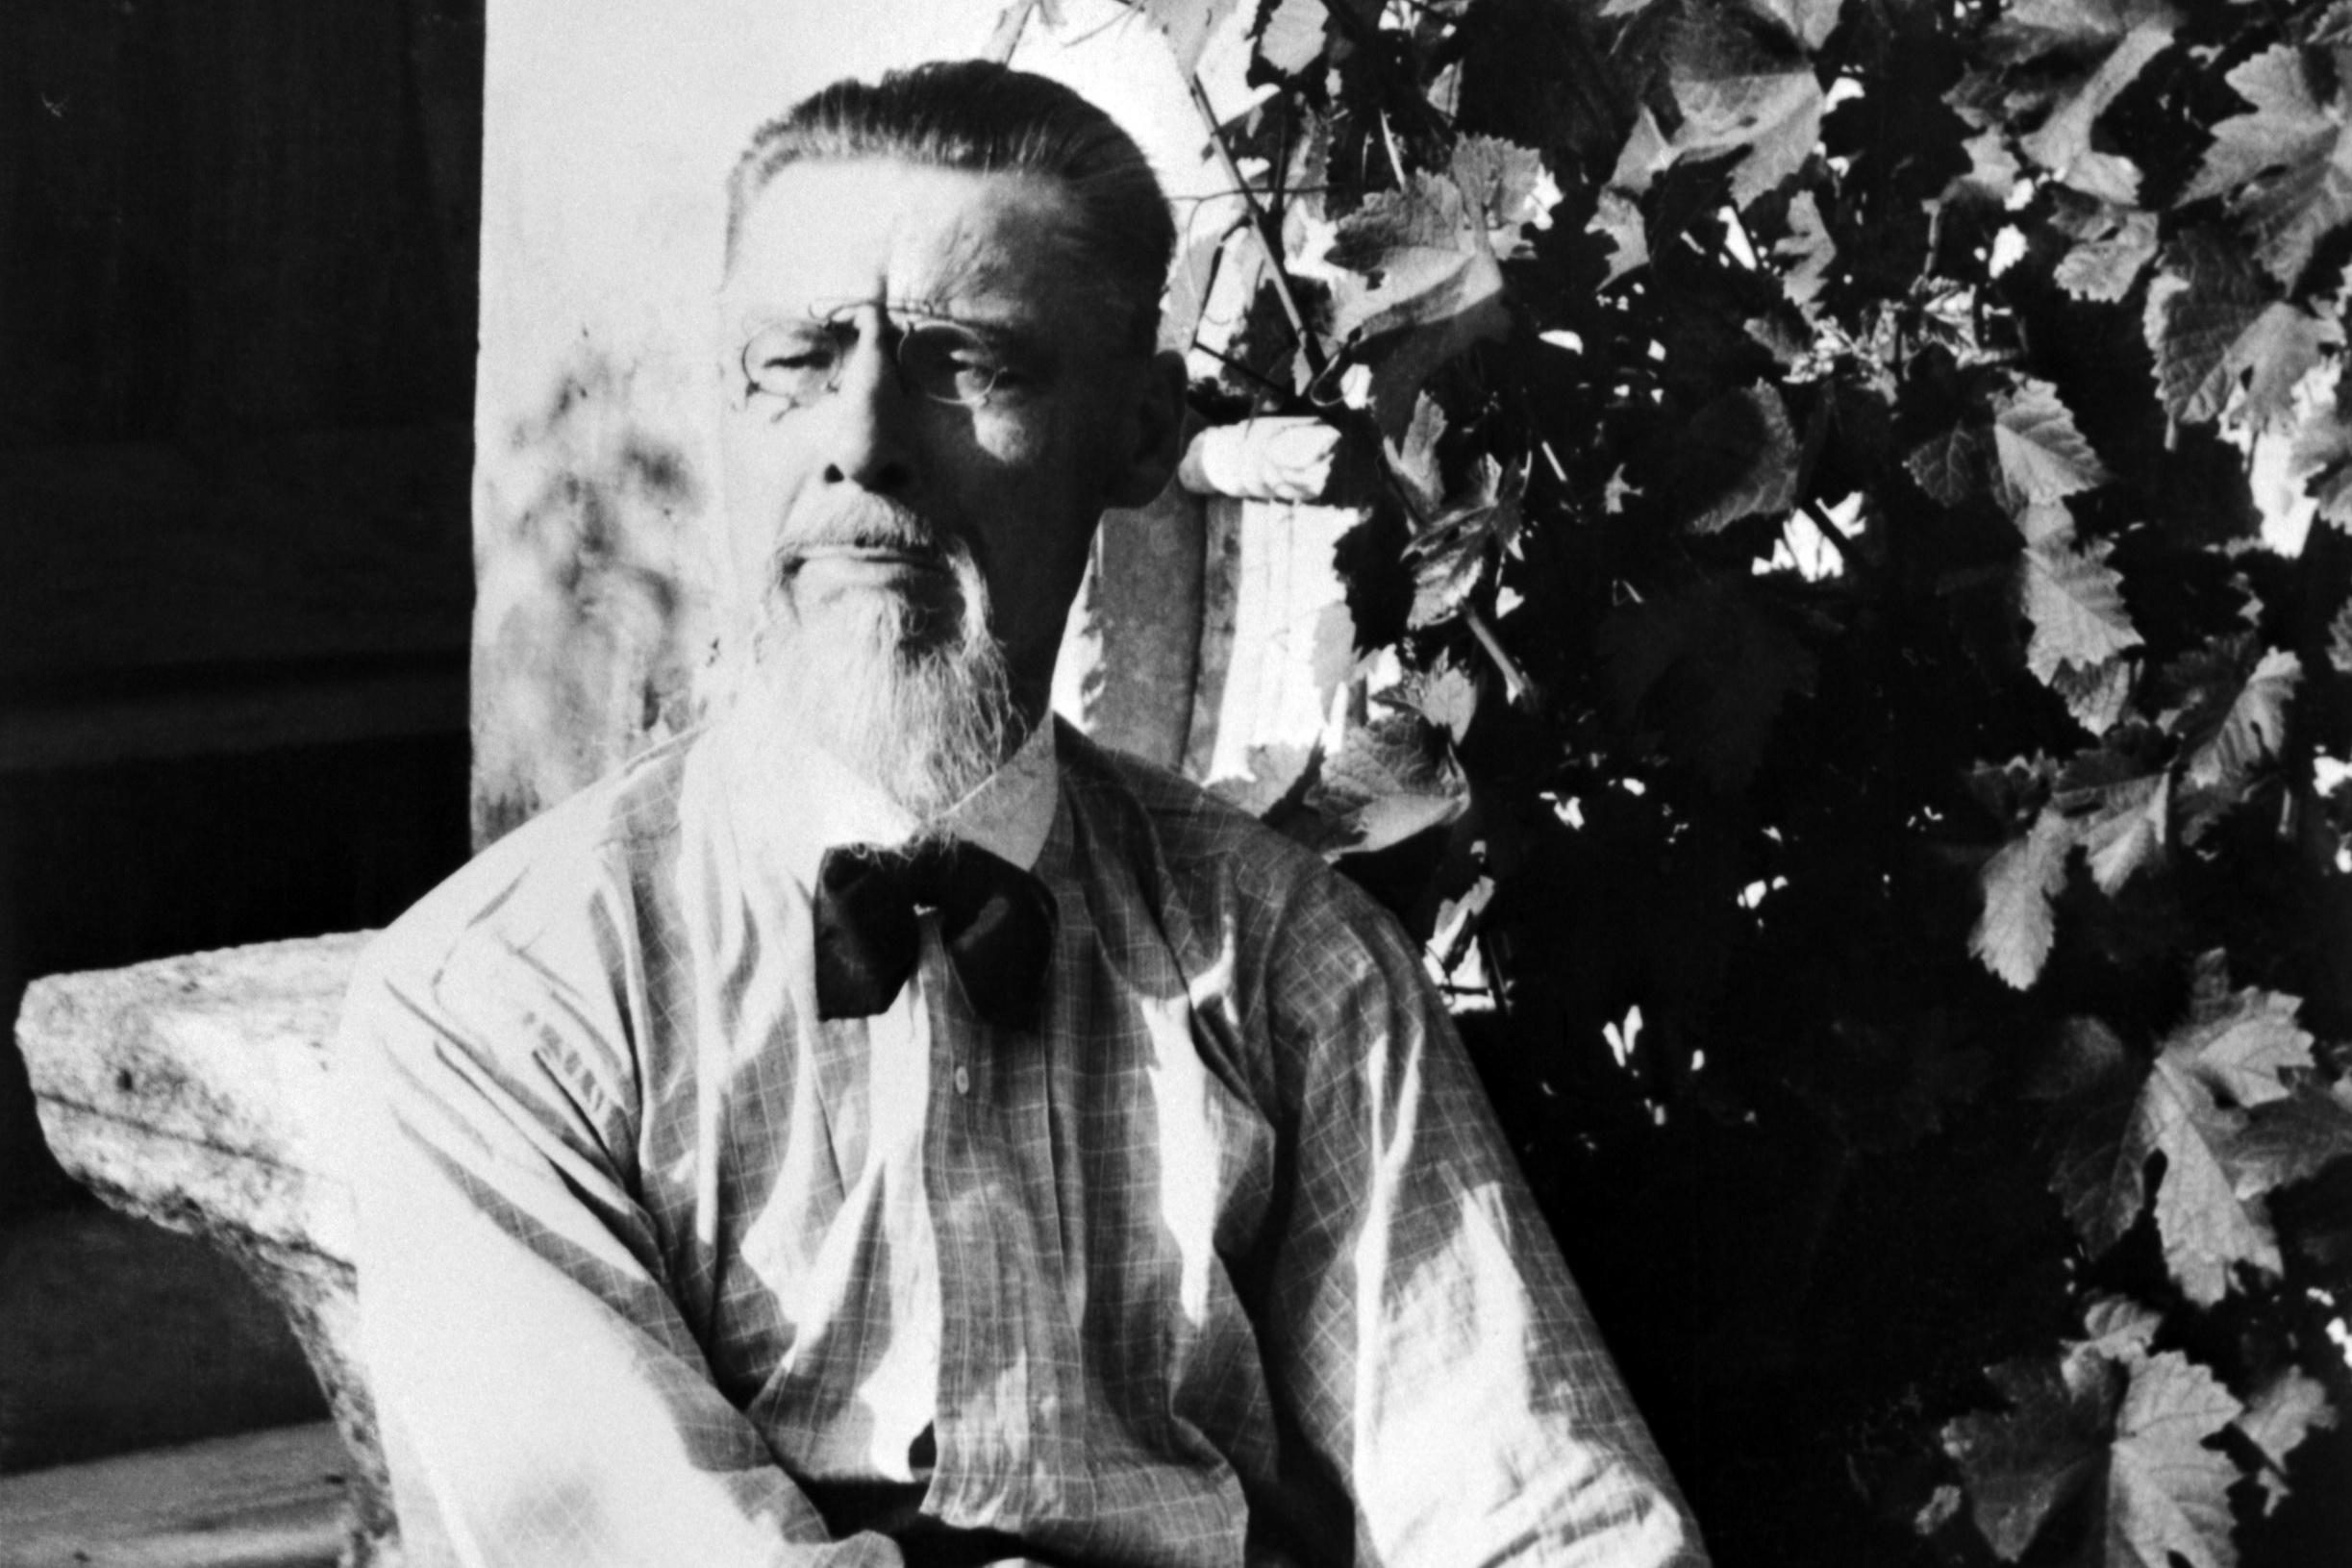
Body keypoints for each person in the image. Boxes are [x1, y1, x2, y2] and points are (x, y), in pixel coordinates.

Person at [341, 60, 1706, 1568]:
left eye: (960, 361)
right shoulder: (504, 998)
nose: (862, 443)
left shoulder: (1290, 964)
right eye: (794, 360)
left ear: (1141, 434)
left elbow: (1550, 1514)